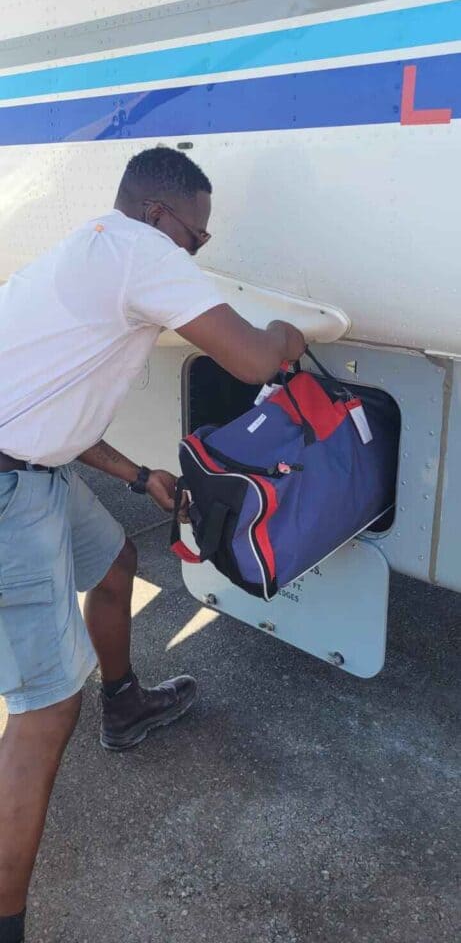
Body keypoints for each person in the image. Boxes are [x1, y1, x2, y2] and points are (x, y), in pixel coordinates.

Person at [0, 146, 305, 942]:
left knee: (115, 563)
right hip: (8, 490)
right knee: (42, 708)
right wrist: (286, 333)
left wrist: (138, 477)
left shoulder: (94, 242)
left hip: (34, 466)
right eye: (198, 237)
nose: (198, 249)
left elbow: (48, 404)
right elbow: (253, 357)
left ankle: (125, 704)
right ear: (162, 215)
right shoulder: (143, 250)